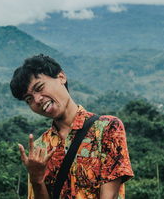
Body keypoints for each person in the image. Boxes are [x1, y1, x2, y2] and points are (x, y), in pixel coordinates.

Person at [10, 54, 134, 199]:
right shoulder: (40, 148)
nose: (37, 100)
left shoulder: (106, 128)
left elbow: (109, 195)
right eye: (29, 99)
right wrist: (36, 179)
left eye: (39, 87)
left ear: (61, 77)